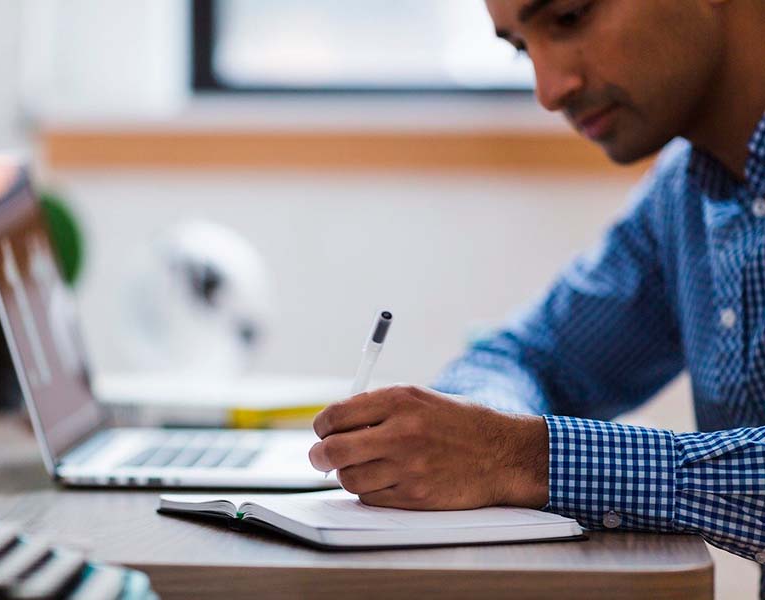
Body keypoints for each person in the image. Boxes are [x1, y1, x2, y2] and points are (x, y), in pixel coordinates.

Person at [308, 0, 765, 592]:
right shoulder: (686, 193)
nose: (549, 91)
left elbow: (516, 447)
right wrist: (469, 434)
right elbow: (530, 355)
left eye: (570, 18)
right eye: (522, 48)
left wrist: (522, 457)